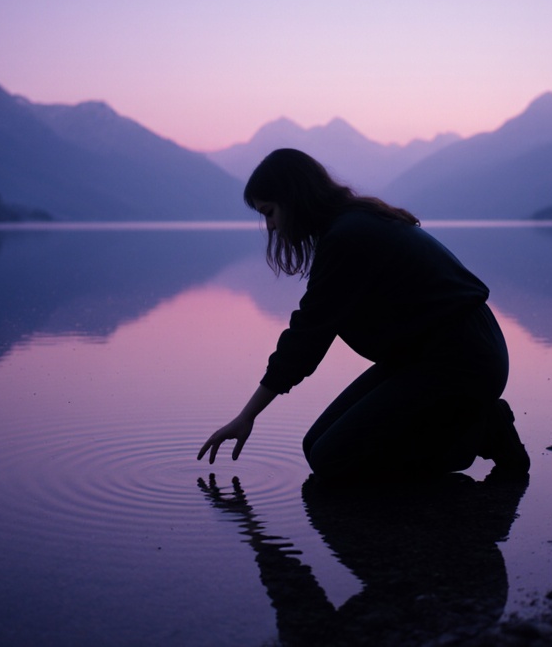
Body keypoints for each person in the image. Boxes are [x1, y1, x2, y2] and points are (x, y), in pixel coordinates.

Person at [197, 148, 529, 480]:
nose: (269, 226)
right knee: (316, 446)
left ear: (294, 199)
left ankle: (482, 430)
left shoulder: (348, 237)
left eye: (269, 212)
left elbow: (307, 337)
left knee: (333, 459)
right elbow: (311, 331)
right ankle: (462, 428)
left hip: (464, 358)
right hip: (433, 353)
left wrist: (247, 415)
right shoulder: (349, 225)